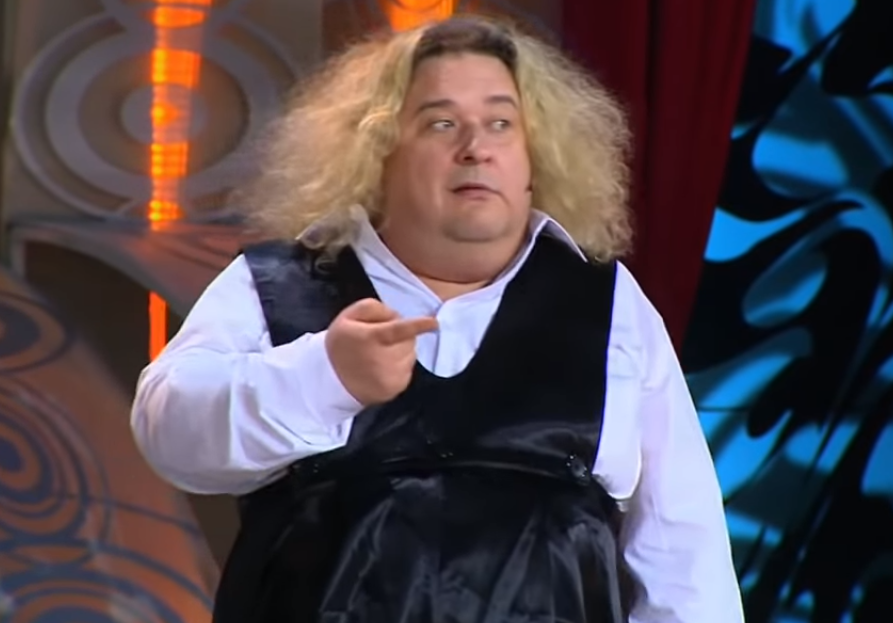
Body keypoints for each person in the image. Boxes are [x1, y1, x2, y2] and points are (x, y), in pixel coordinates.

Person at [131, 15, 744, 623]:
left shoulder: (609, 302)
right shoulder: (280, 284)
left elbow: (685, 558)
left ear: (535, 158)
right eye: (441, 123)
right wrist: (323, 377)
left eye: (501, 124)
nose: (476, 148)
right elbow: (169, 433)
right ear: (378, 153)